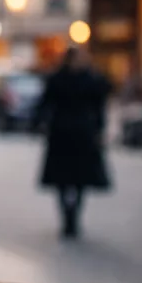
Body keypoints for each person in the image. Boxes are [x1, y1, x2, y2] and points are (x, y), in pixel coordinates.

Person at [35, 47, 112, 238]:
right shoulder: (58, 79)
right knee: (62, 179)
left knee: (80, 180)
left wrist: (100, 130)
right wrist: (42, 122)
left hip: (83, 135)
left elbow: (99, 107)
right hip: (62, 134)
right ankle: (66, 217)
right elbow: (45, 103)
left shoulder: (91, 80)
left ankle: (74, 216)